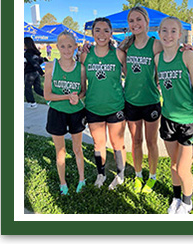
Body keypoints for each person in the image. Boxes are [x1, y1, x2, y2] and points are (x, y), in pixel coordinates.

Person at [155, 17, 193, 214]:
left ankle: (187, 204)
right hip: (168, 119)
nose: (168, 35)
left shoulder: (188, 57)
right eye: (164, 30)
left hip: (189, 122)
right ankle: (176, 198)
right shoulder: (157, 59)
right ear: (159, 33)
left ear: (180, 34)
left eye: (173, 31)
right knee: (173, 164)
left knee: (182, 168)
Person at [118, 6, 164, 194]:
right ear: (128, 25)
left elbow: (170, 61)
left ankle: (152, 176)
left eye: (138, 20)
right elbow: (123, 70)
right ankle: (138, 175)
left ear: (146, 22)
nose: (135, 23)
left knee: (151, 142)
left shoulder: (156, 44)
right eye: (131, 21)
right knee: (136, 141)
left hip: (151, 101)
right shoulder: (125, 47)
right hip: (131, 102)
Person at [80, 17, 127, 190]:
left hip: (115, 107)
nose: (101, 34)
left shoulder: (118, 54)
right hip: (93, 107)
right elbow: (81, 82)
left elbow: (132, 76)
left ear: (111, 33)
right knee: (99, 144)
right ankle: (101, 174)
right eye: (97, 30)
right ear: (92, 33)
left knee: (117, 144)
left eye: (106, 30)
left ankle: (120, 174)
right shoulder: (85, 54)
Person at [44, 30, 87, 195]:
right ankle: (63, 183)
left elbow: (83, 91)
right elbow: (47, 95)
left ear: (76, 47)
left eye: (70, 46)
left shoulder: (81, 68)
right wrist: (67, 96)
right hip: (57, 113)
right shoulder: (50, 67)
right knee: (60, 150)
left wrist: (78, 97)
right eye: (63, 46)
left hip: (76, 113)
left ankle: (81, 179)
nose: (67, 50)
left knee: (77, 149)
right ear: (57, 47)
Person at [24, 37, 47, 108]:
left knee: (28, 88)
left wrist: (42, 73)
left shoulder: (27, 53)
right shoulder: (35, 52)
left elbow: (34, 63)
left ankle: (32, 103)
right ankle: (50, 97)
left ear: (26, 44)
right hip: (36, 73)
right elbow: (39, 61)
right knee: (37, 89)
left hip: (30, 73)